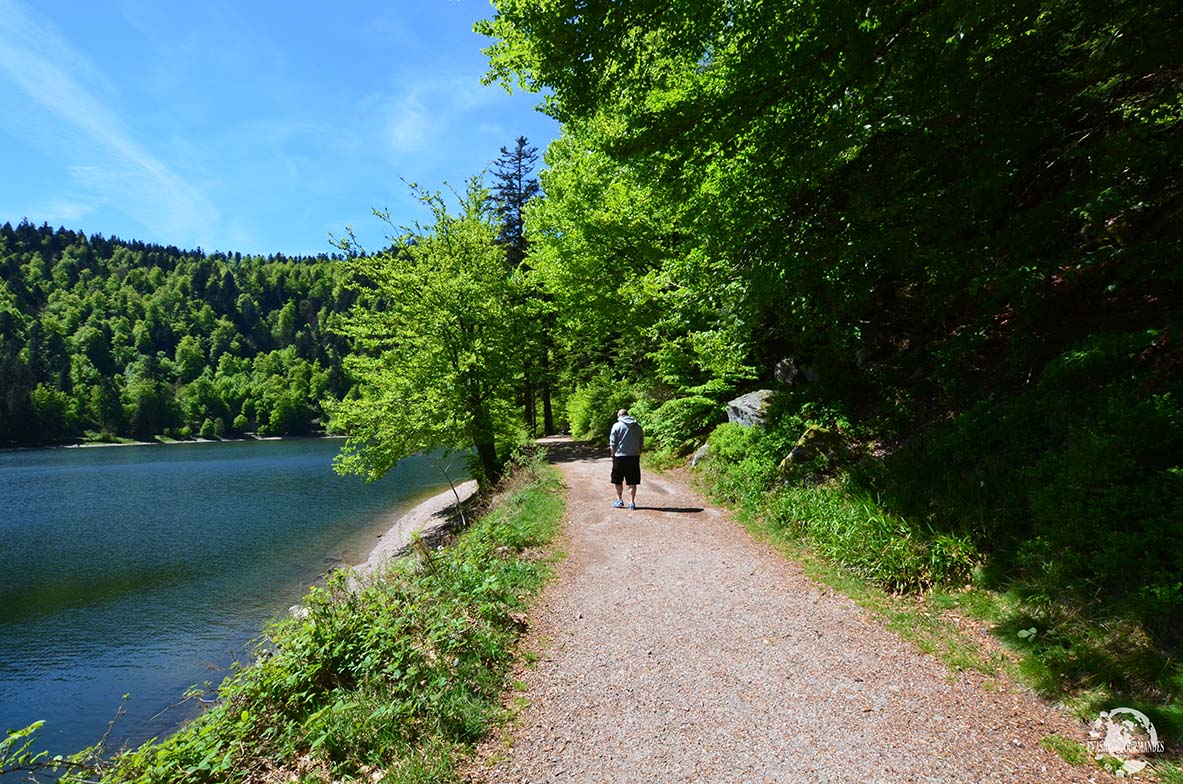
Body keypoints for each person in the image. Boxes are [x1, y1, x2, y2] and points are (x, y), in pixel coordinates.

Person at [609, 408, 643, 509]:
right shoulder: (637, 426)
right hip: (634, 456)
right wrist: (638, 452)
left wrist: (612, 455)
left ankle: (620, 500)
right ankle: (631, 502)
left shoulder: (616, 425)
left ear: (620, 416)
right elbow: (641, 441)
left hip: (620, 456)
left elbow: (612, 443)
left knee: (618, 479)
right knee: (632, 480)